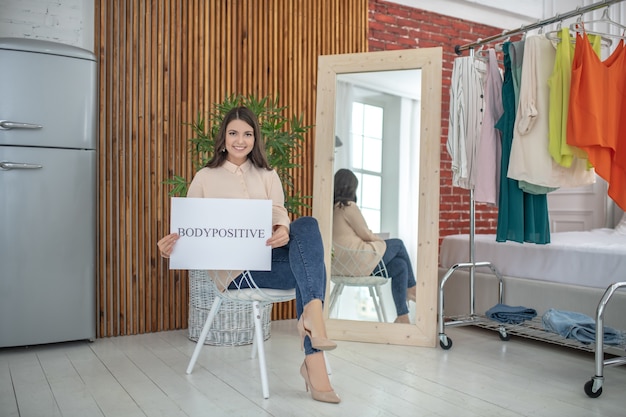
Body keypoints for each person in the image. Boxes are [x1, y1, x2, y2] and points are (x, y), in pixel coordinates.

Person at [157, 106, 340, 404]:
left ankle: (312, 324)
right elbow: (190, 230)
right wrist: (169, 251)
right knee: (310, 269)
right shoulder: (205, 177)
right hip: (236, 275)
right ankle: (314, 352)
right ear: (223, 137)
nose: (240, 140)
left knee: (306, 225)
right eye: (233, 133)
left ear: (255, 138)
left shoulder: (268, 174)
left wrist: (282, 227)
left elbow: (280, 212)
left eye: (247, 134)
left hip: (269, 261)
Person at [332, 168, 417, 323]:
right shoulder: (347, 206)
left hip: (341, 265)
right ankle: (411, 288)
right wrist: (379, 240)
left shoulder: (332, 208)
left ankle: (402, 316)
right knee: (398, 244)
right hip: (357, 262)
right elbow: (365, 233)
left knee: (400, 265)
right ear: (351, 187)